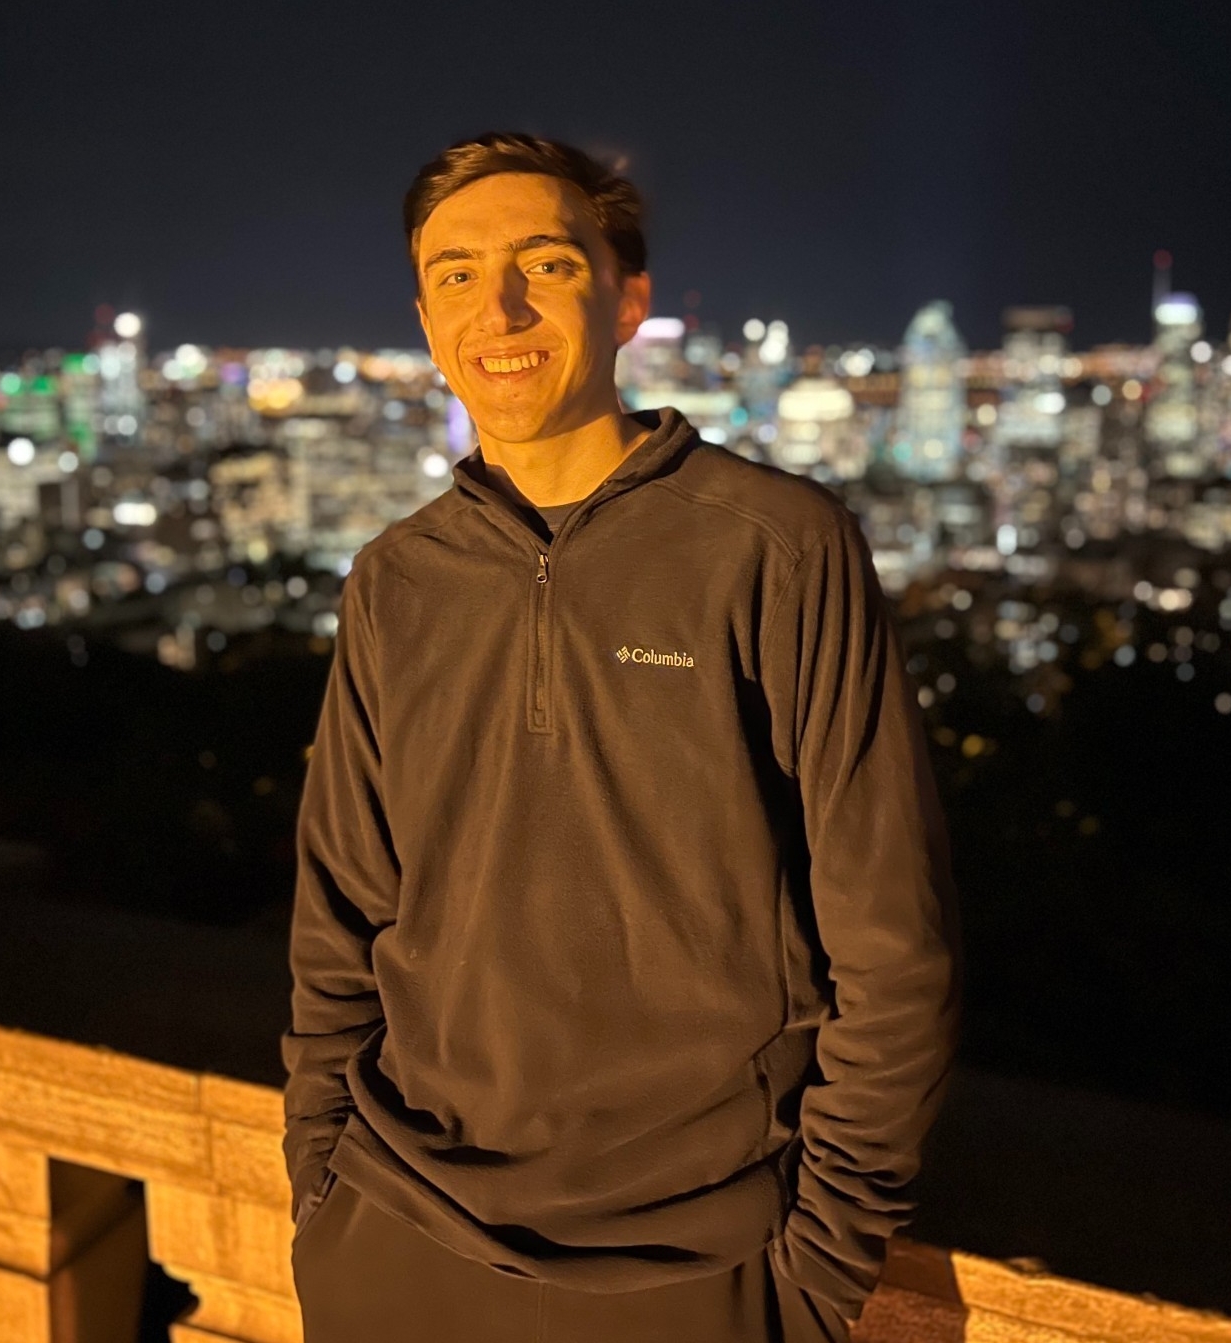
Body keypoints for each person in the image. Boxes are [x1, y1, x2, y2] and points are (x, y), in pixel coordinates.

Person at [282, 131, 960, 1343]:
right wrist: (321, 1191)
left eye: (544, 264)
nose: (497, 306)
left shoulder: (776, 546)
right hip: (395, 1236)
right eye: (454, 275)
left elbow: (894, 945)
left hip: (693, 1260)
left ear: (628, 296)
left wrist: (814, 1271)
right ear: (425, 318)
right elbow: (340, 920)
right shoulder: (396, 580)